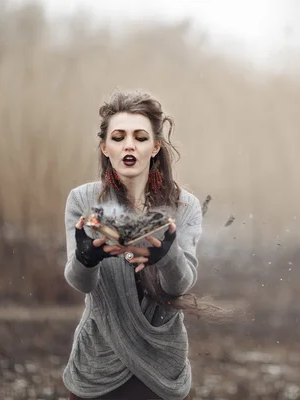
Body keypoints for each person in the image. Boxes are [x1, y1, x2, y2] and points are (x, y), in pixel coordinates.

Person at [62, 89, 208, 400]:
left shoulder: (185, 206)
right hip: (98, 361)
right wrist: (85, 259)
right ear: (105, 147)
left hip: (161, 365)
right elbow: (80, 283)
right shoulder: (82, 200)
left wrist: (167, 257)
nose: (129, 145)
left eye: (140, 137)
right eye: (118, 137)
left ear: (155, 146)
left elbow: (181, 285)